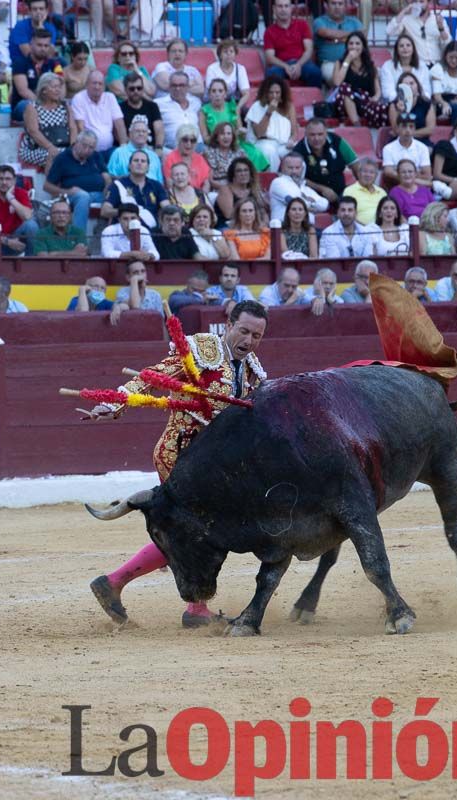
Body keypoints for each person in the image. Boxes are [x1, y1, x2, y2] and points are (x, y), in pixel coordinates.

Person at [87, 300, 269, 629]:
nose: (249, 340)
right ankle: (191, 608)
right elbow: (154, 376)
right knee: (197, 532)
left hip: (212, 467)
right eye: (244, 331)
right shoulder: (202, 350)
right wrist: (113, 403)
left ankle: (118, 585)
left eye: (257, 335)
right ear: (228, 326)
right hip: (180, 454)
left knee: (193, 532)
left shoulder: (252, 368)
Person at [45, 130, 110, 234]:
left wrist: (108, 188)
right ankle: (78, 239)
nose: (87, 150)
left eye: (91, 147)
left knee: (118, 195)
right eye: (84, 146)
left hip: (98, 194)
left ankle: (105, 231)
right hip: (72, 196)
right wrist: (68, 191)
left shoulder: (96, 156)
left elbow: (106, 176)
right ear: (76, 142)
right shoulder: (62, 159)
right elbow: (47, 186)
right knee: (83, 196)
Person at [293, 119, 357, 206]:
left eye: (320, 134)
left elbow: (355, 164)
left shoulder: (337, 141)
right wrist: (322, 189)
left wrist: (360, 187)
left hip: (340, 190)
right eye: (312, 135)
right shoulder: (298, 151)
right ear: (306, 134)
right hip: (313, 194)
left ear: (326, 133)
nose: (316, 138)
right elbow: (296, 178)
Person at [333, 31, 388, 128]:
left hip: (365, 102)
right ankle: (357, 124)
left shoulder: (370, 66)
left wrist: (375, 97)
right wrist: (348, 60)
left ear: (363, 47)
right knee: (345, 88)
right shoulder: (340, 63)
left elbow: (378, 90)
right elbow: (337, 82)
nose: (354, 46)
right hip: (345, 103)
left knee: (385, 108)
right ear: (347, 46)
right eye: (351, 43)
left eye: (357, 43)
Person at [19, 72, 73, 170]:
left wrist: (73, 148)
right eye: (54, 87)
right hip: (36, 148)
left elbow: (73, 128)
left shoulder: (65, 106)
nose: (58, 90)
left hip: (62, 146)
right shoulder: (32, 107)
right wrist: (50, 147)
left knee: (77, 155)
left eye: (59, 87)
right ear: (44, 90)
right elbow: (33, 132)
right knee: (54, 155)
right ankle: (51, 184)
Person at [101, 150, 166, 230]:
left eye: (143, 161)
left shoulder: (156, 185)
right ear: (129, 166)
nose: (139, 163)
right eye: (136, 160)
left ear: (148, 167)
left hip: (151, 233)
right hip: (124, 232)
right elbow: (105, 211)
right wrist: (125, 212)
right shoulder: (117, 185)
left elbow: (166, 208)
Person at [245, 77, 300, 172]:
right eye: (271, 92)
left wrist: (291, 140)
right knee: (269, 151)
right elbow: (259, 133)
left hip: (284, 145)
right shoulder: (257, 106)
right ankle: (272, 179)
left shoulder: (289, 107)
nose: (274, 95)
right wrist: (269, 112)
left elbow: (294, 132)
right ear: (265, 93)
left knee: (300, 151)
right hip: (263, 143)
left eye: (277, 92)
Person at [264, 0, 322, 88]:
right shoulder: (269, 31)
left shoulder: (302, 25)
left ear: (291, 8)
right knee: (271, 74)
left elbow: (309, 50)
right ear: (274, 9)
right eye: (280, 6)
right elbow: (269, 58)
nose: (283, 9)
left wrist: (298, 65)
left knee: (315, 73)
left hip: (302, 63)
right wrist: (286, 66)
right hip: (281, 65)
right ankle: (276, 102)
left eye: (286, 6)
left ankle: (314, 101)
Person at [71, 70, 126, 162]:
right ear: (87, 85)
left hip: (110, 149)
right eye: (94, 83)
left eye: (100, 84)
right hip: (89, 152)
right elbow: (80, 127)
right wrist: (89, 148)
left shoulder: (110, 97)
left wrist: (123, 146)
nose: (97, 87)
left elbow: (119, 123)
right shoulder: (79, 98)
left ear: (104, 87)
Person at [10, 28, 63, 121]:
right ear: (31, 45)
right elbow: (23, 91)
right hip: (24, 106)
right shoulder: (20, 63)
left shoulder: (55, 64)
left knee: (69, 105)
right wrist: (43, 105)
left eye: (46, 46)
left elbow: (62, 86)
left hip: (49, 104)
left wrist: (55, 102)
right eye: (39, 45)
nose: (43, 49)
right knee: (28, 105)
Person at [313, 0, 363, 86]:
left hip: (354, 62)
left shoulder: (354, 21)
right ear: (326, 5)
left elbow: (362, 36)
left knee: (375, 75)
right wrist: (352, 35)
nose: (337, 7)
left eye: (340, 3)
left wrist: (334, 39)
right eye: (333, 3)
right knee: (338, 79)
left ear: (345, 6)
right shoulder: (319, 21)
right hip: (329, 63)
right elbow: (326, 33)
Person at [270, 152, 329, 223]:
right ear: (283, 168)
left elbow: (325, 205)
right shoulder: (278, 182)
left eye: (297, 168)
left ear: (302, 168)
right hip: (284, 228)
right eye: (290, 168)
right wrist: (311, 203)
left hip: (307, 228)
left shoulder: (303, 187)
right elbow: (295, 202)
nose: (294, 171)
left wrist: (310, 204)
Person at [215, 156, 269, 229]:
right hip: (228, 227)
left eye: (246, 170)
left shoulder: (254, 190)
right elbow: (229, 215)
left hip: (251, 226)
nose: (243, 173)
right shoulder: (225, 189)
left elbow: (263, 212)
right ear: (233, 175)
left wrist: (264, 223)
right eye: (239, 171)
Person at [382, 112, 432, 188]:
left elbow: (427, 176)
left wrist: (400, 173)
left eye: (411, 127)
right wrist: (416, 175)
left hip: (418, 188)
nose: (408, 130)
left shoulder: (422, 148)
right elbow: (388, 172)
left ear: (415, 129)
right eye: (404, 126)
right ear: (398, 128)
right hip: (397, 186)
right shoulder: (388, 148)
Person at [155, 71, 202, 150]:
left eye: (181, 85)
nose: (177, 89)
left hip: (197, 146)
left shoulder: (196, 102)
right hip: (172, 148)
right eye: (174, 85)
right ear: (169, 87)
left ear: (188, 87)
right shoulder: (158, 104)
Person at [380, 34, 432, 104]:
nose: (405, 48)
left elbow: (426, 91)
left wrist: (415, 101)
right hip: (396, 103)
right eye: (401, 46)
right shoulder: (387, 66)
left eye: (408, 45)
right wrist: (404, 101)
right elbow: (388, 92)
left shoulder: (422, 66)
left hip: (418, 102)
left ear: (413, 49)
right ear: (396, 50)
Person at [109, 258, 164, 324]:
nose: (140, 275)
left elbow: (161, 322)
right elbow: (135, 306)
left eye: (143, 271)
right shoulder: (122, 292)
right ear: (128, 277)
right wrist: (134, 280)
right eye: (136, 272)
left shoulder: (155, 295)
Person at [163, 124, 210, 195]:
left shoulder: (200, 159)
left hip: (199, 195)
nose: (189, 144)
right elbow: (170, 183)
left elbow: (206, 183)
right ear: (179, 140)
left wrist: (203, 196)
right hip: (178, 195)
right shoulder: (170, 158)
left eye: (193, 140)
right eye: (185, 140)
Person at [205, 40, 252, 109]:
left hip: (234, 103)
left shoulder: (240, 69)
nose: (229, 54)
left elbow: (246, 94)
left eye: (231, 51)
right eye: (225, 52)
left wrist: (238, 108)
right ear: (220, 55)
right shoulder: (212, 68)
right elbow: (212, 92)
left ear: (235, 54)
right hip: (215, 102)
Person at [9, 0, 57, 65]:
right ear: (29, 11)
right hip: (22, 63)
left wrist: (41, 28)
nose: (38, 12)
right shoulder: (20, 27)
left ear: (46, 11)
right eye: (35, 9)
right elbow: (29, 54)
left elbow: (50, 54)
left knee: (61, 62)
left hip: (43, 63)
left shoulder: (50, 28)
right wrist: (40, 30)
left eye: (41, 9)